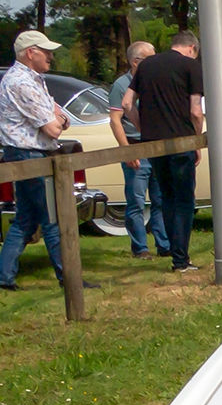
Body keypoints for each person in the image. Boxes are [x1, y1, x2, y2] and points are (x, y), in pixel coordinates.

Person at [0, 29, 99, 291]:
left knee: (26, 219)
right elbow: (53, 127)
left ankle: (4, 276)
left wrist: (58, 117)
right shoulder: (20, 83)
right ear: (30, 53)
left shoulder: (35, 79)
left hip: (30, 153)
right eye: (46, 52)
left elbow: (60, 116)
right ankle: (69, 279)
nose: (51, 57)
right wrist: (57, 118)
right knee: (53, 217)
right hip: (29, 154)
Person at [124, 31, 203, 273]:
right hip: (181, 142)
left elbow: (127, 103)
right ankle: (180, 259)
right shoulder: (191, 66)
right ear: (191, 48)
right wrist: (197, 141)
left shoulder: (146, 66)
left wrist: (142, 128)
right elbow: (196, 111)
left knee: (166, 198)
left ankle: (176, 255)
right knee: (184, 200)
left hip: (154, 144)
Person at [108, 40, 169, 260]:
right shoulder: (121, 85)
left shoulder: (153, 81)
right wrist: (127, 152)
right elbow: (115, 120)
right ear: (136, 62)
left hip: (156, 148)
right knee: (136, 202)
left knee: (160, 199)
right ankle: (140, 248)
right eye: (150, 59)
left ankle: (164, 245)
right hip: (135, 148)